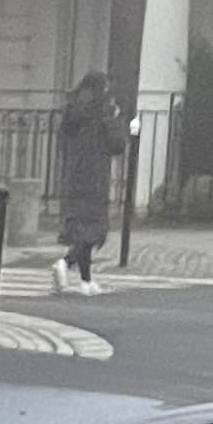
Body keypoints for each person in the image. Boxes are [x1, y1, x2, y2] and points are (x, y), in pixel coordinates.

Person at [57, 70, 133, 293]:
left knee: (80, 227)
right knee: (94, 229)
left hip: (74, 174)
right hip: (95, 175)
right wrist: (118, 117)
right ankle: (68, 265)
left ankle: (84, 279)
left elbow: (64, 137)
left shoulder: (73, 108)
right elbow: (117, 144)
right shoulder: (102, 112)